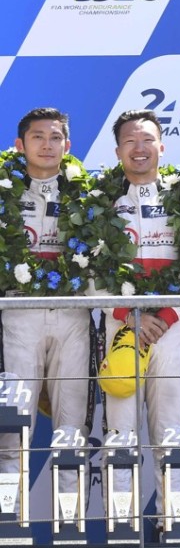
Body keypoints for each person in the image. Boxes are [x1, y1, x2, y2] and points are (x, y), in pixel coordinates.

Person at [84, 109, 180, 536]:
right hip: (120, 330)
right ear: (117, 149)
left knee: (172, 434)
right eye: (130, 141)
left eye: (147, 140)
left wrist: (168, 316)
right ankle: (124, 530)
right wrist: (129, 318)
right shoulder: (100, 201)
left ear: (162, 146)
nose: (139, 148)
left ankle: (175, 527)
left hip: (172, 330)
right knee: (120, 435)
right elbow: (88, 273)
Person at [0, 108, 93, 500]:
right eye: (38, 137)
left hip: (73, 313)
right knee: (12, 429)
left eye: (55, 138)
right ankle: (8, 521)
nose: (47, 145)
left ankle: (67, 525)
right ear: (20, 145)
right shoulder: (4, 189)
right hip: (18, 314)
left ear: (67, 146)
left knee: (71, 427)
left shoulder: (88, 193)